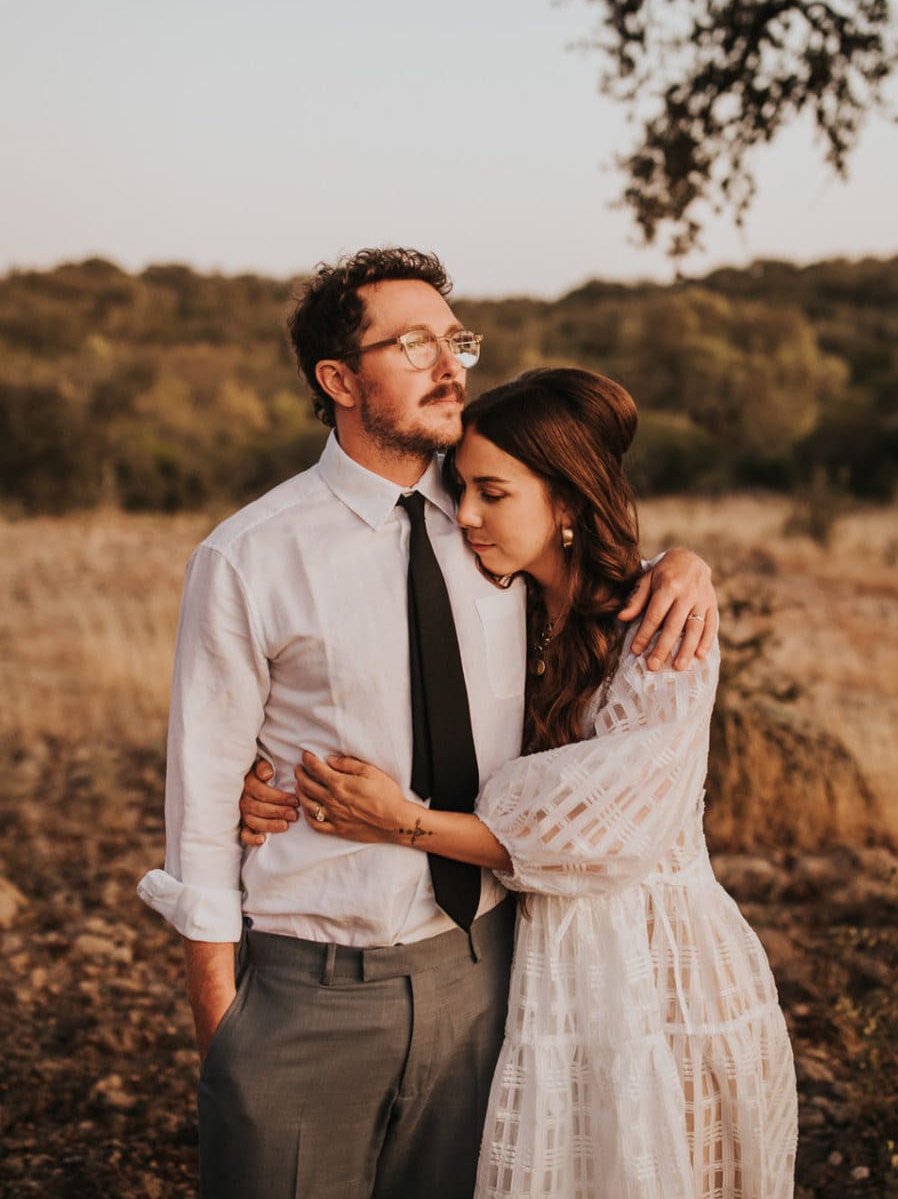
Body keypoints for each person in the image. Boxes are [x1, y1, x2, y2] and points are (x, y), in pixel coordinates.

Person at [138, 248, 717, 1199]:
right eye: (412, 344)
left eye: (456, 340)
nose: (450, 364)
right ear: (338, 381)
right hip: (306, 988)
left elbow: (601, 560)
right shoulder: (248, 557)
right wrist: (222, 1022)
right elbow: (202, 797)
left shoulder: (492, 510)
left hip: (491, 978)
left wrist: (690, 562)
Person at [242, 367, 798, 1199]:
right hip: (535, 963)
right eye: (461, 489)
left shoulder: (660, 630)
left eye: (491, 493)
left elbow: (601, 835)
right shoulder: (500, 604)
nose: (463, 515)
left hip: (653, 969)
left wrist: (404, 822)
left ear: (568, 502)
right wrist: (268, 772)